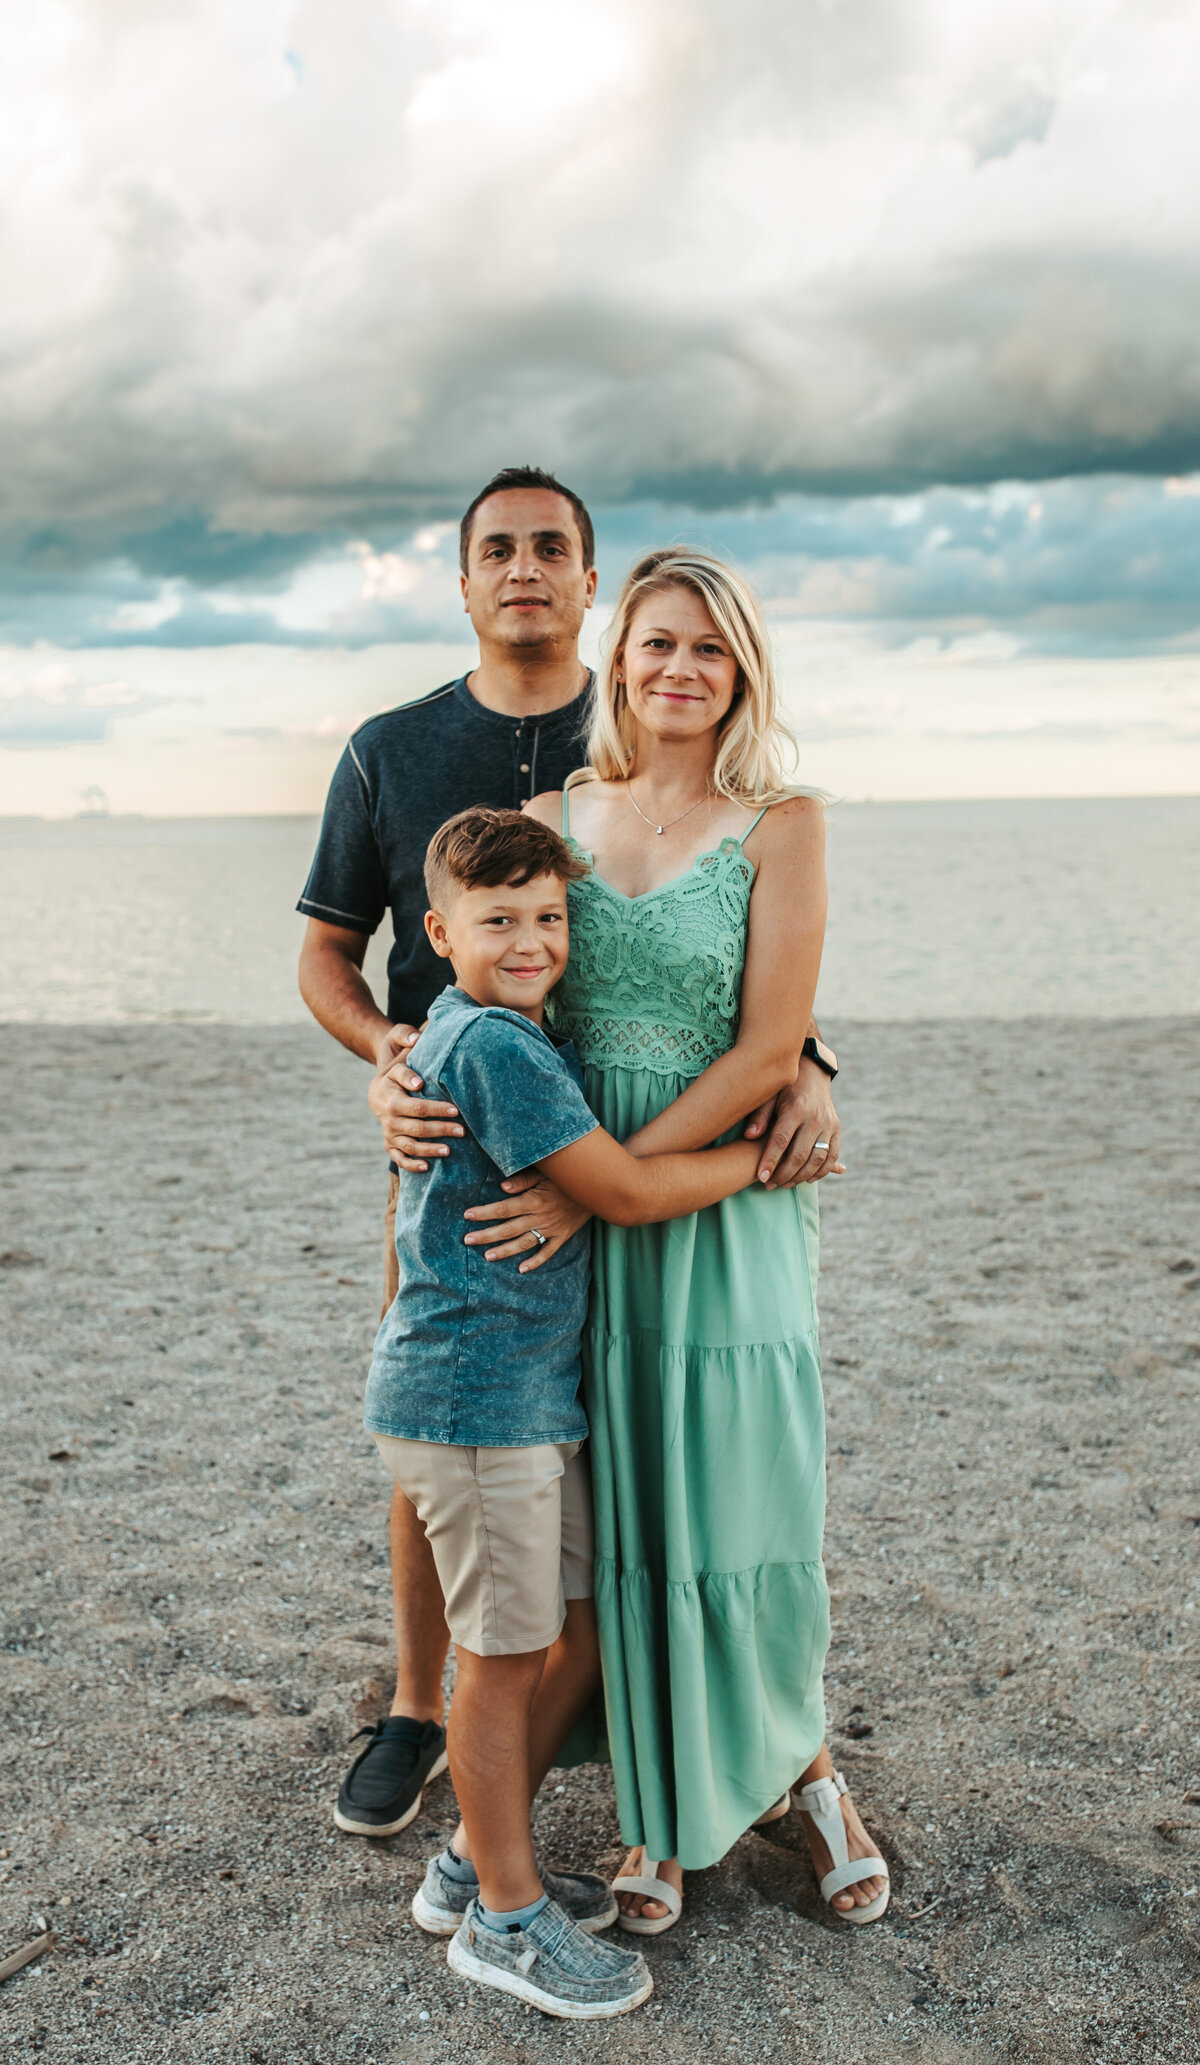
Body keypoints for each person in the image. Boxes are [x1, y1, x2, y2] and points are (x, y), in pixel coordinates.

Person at [299, 467, 843, 1840]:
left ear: (589, 586)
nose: (525, 567)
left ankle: (716, 1747)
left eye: (554, 547)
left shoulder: (665, 775)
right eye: (500, 548)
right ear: (467, 576)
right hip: (460, 1156)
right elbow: (332, 956)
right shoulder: (393, 746)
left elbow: (707, 968)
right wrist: (388, 1062)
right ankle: (420, 1706)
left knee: (626, 1475)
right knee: (448, 1428)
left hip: (607, 1156)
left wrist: (810, 1066)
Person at [517, 548, 890, 1929]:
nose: (679, 669)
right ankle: (661, 1814)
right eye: (658, 643)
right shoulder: (552, 812)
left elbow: (767, 1049)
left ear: (742, 673)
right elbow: (514, 994)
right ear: (620, 660)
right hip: (586, 1180)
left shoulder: (779, 818)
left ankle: (808, 1767)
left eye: (710, 651)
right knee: (631, 1504)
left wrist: (607, 1175)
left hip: (715, 1190)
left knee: (744, 1497)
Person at [372, 805, 772, 2016]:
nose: (535, 939)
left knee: (583, 1623)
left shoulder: (499, 1031)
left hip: (526, 1398)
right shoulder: (492, 1046)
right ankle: (504, 1917)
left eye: (551, 916)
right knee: (497, 1663)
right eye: (501, 921)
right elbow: (631, 1192)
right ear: (442, 932)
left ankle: (467, 1860)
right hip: (477, 1402)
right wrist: (767, 1158)